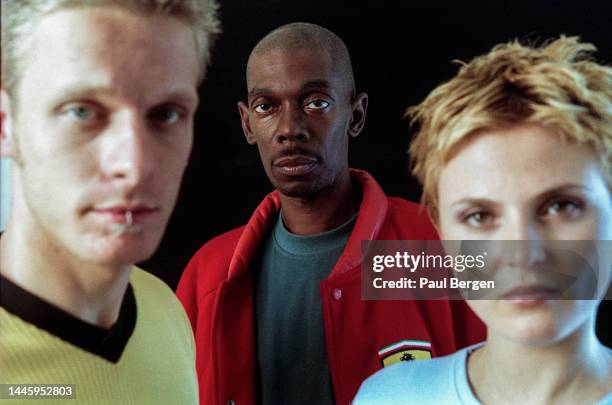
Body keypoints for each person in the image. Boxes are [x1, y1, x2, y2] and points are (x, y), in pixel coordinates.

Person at [177, 22, 485, 405]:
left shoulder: (436, 245)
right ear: (247, 123)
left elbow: (564, 293)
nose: (290, 128)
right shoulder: (209, 274)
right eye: (266, 106)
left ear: (356, 115)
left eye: (316, 102)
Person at [354, 36, 612, 404]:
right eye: (479, 216)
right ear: (442, 234)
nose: (522, 255)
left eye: (560, 206)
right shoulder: (387, 397)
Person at [0, 1, 219, 404]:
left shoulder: (165, 311)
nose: (135, 166)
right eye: (82, 111)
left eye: (166, 115)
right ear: (5, 123)